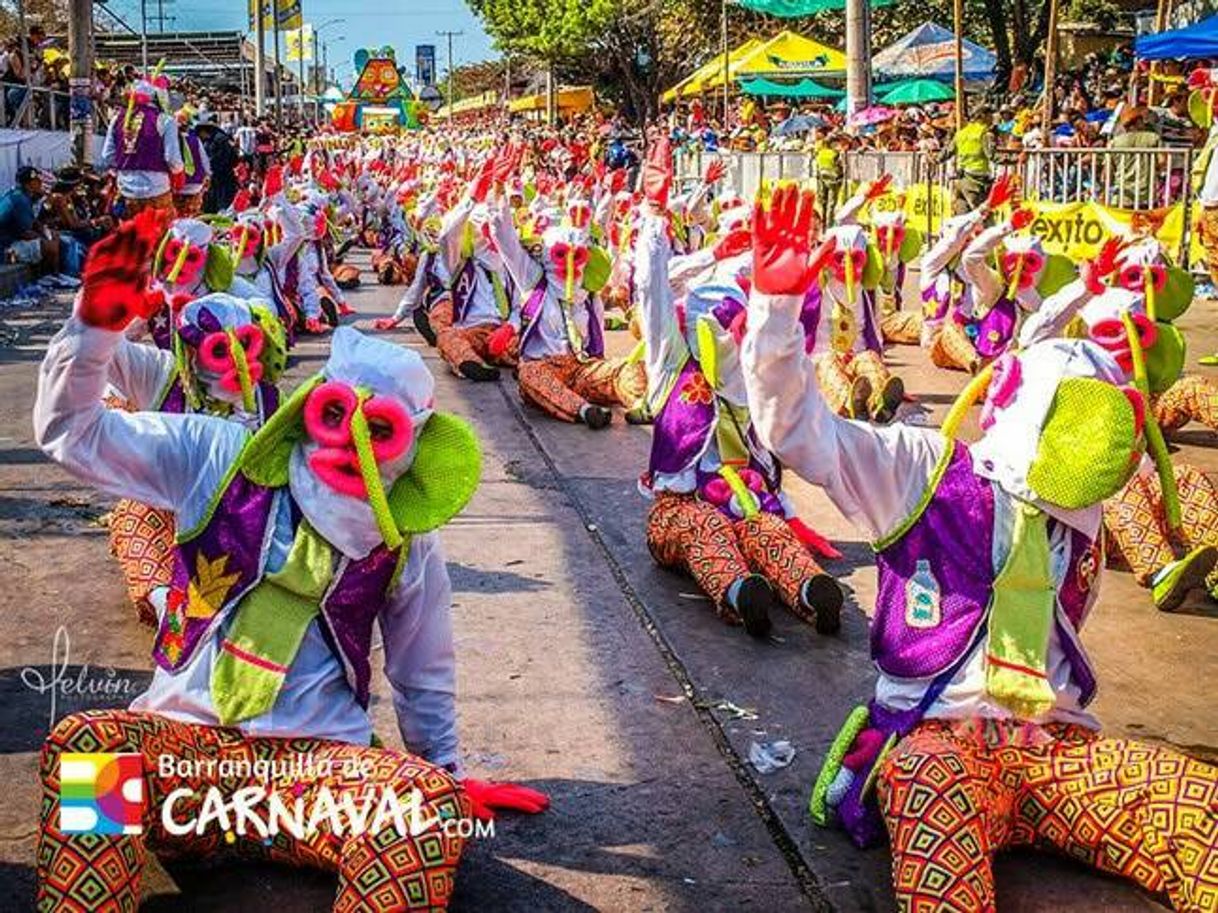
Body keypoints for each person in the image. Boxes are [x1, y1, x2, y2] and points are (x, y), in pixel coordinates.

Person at [33, 213, 548, 912]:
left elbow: (423, 669)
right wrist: (95, 327)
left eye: (381, 430)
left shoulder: (406, 538)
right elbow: (74, 432)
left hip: (314, 770)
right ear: (310, 408)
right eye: (339, 417)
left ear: (411, 449)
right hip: (183, 752)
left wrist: (442, 779)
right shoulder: (219, 454)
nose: (353, 447)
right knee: (88, 747)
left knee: (423, 810)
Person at [742, 185, 1217, 912]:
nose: (1108, 446)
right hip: (938, 746)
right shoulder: (924, 472)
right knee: (936, 804)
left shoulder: (1083, 523)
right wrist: (776, 317)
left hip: (1053, 746)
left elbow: (1052, 340)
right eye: (1085, 421)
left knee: (1194, 803)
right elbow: (801, 431)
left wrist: (1090, 290)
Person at [98, 72, 184, 217]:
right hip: (157, 190)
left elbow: (107, 157)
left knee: (131, 237)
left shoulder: (116, 119)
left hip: (125, 190)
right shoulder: (166, 120)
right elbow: (173, 160)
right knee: (160, 237)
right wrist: (179, 173)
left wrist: (127, 165)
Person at [0, 165, 60, 274]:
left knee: (53, 236)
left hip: (10, 241)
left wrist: (46, 233)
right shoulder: (20, 199)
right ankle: (52, 277)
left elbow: (34, 223)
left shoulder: (20, 195)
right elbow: (25, 233)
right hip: (5, 247)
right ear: (28, 184)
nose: (40, 183)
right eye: (36, 181)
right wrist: (45, 239)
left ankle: (52, 275)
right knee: (50, 247)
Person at [941, 104, 995, 213]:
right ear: (983, 116)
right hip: (976, 180)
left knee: (962, 217)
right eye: (991, 115)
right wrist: (1016, 159)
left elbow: (947, 153)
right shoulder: (985, 133)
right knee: (982, 216)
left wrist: (933, 158)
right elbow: (992, 155)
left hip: (961, 180)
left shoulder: (961, 133)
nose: (993, 118)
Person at [198, 115, 239, 213]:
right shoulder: (214, 139)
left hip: (222, 176)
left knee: (223, 203)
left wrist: (209, 168)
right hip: (220, 176)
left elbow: (222, 158)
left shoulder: (219, 140)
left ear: (204, 131)